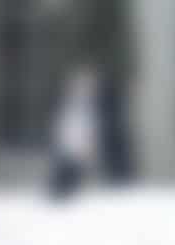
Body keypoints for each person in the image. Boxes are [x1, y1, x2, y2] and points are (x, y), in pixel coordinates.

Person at [47, 0, 135, 199]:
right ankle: (69, 180)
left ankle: (68, 181)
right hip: (96, 70)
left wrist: (87, 68)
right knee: (86, 128)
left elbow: (94, 31)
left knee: (92, 127)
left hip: (99, 71)